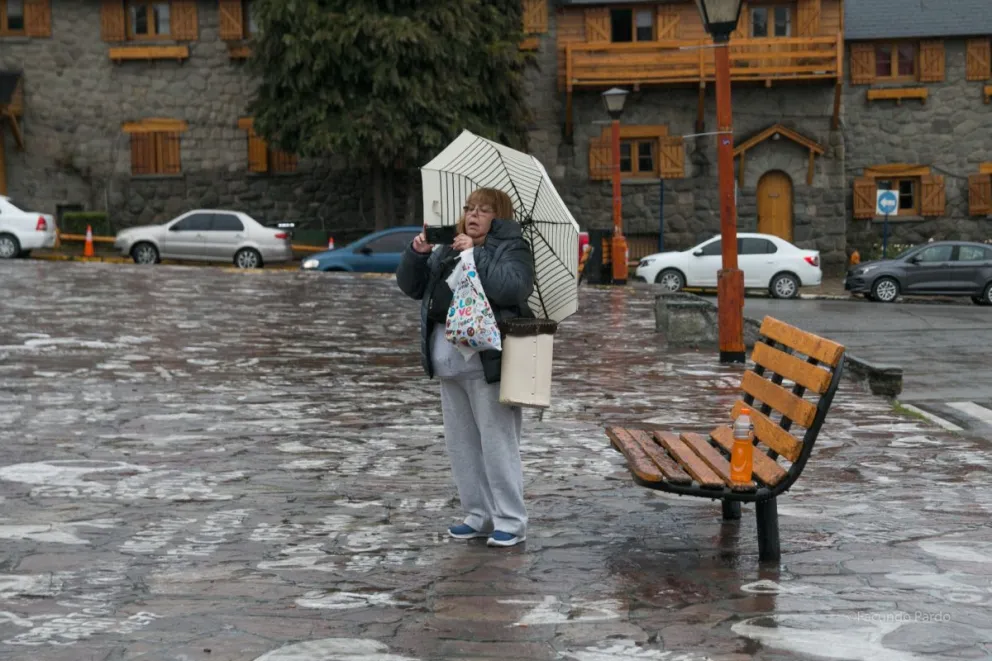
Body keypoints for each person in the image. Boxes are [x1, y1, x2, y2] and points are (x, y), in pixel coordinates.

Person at [397, 188, 535, 548]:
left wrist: (476, 255)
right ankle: (478, 514)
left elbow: (512, 289)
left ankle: (511, 519)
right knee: (462, 446)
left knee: (497, 442)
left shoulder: (512, 247)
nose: (473, 215)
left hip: (487, 362)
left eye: (483, 210)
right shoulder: (447, 247)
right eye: (469, 208)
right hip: (448, 362)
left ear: (498, 216)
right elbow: (413, 287)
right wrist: (417, 254)